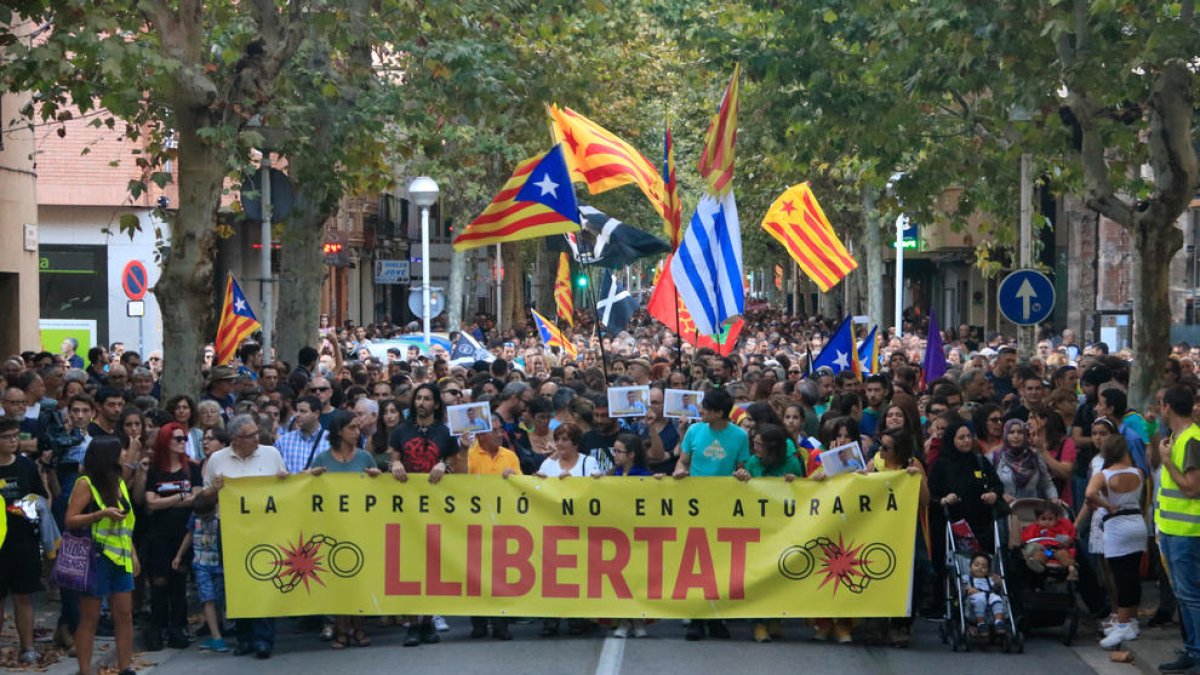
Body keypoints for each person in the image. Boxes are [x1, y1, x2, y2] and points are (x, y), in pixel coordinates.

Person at [197, 414, 286, 659]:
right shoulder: (217, 459)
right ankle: (244, 637)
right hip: (231, 531)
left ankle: (263, 639)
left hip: (266, 529)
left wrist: (283, 481)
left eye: (257, 433)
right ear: (235, 439)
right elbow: (205, 498)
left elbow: (287, 490)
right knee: (236, 585)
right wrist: (215, 489)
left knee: (265, 581)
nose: (256, 439)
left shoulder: (271, 454)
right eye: (250, 436)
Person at [672, 387, 748, 641]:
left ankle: (716, 618)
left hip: (724, 508)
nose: (700, 410)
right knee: (695, 563)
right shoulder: (694, 431)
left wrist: (742, 475)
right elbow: (682, 461)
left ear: (718, 413)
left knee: (721, 565)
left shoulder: (739, 436)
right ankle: (696, 617)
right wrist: (680, 470)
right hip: (694, 507)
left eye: (705, 407)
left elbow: (742, 469)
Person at [386, 383, 454, 646]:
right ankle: (412, 624)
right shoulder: (402, 431)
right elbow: (391, 458)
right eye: (418, 398)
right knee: (411, 566)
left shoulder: (444, 432)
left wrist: (443, 464)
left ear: (436, 404)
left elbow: (452, 461)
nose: (421, 403)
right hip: (407, 507)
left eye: (427, 399)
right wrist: (397, 463)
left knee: (432, 566)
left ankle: (428, 622)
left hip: (435, 506)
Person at [65, 436, 139, 675]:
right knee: (90, 617)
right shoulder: (86, 483)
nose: (125, 453)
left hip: (121, 556)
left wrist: (133, 554)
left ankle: (126, 667)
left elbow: (126, 524)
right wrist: (100, 514)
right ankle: (85, 671)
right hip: (96, 557)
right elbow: (70, 520)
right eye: (121, 450)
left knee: (125, 614)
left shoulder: (118, 481)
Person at [308, 410, 380, 649]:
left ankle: (359, 629)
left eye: (358, 428)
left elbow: (378, 492)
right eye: (352, 428)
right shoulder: (323, 460)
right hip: (332, 530)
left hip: (360, 528)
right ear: (339, 431)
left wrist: (377, 479)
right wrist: (310, 476)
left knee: (359, 580)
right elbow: (306, 490)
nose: (357, 432)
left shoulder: (364, 458)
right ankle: (341, 631)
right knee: (337, 582)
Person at [142, 422, 202, 651]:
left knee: (178, 582)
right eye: (177, 439)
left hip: (183, 534)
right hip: (158, 534)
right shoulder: (155, 470)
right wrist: (178, 496)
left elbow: (195, 499)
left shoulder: (192, 469)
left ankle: (178, 627)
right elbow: (150, 502)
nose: (182, 443)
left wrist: (165, 499)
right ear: (165, 441)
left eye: (184, 439)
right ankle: (157, 627)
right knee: (158, 582)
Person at [1153, 385, 1200, 674]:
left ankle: (1196, 652)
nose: (1159, 409)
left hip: (1187, 533)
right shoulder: (1176, 438)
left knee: (1191, 594)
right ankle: (1192, 649)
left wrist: (1167, 461)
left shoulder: (1191, 440)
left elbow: (1192, 489)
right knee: (1184, 594)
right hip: (1173, 531)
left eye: (1161, 404)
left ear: (1168, 407)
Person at [1087, 434, 1147, 649]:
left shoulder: (1103, 475)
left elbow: (1090, 494)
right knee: (1133, 574)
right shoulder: (1138, 472)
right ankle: (1132, 620)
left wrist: (1107, 505)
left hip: (1116, 527)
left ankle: (1122, 625)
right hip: (1137, 523)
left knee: (1121, 577)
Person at [466, 413, 519, 641]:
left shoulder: (510, 456)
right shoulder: (468, 455)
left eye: (500, 430)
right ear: (480, 434)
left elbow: (521, 485)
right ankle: (478, 623)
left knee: (500, 574)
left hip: (503, 523)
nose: (500, 434)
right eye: (494, 431)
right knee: (475, 574)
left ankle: (501, 623)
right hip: (475, 523)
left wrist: (514, 477)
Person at [0, 417, 47, 666]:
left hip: (23, 542)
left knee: (24, 597)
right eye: (7, 437)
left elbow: (41, 499)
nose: (13, 441)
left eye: (16, 436)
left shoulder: (26, 466)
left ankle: (28, 647)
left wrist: (29, 507)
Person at [172, 498, 227, 652]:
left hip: (220, 564)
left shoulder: (221, 516)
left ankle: (216, 630)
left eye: (206, 516)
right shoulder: (194, 516)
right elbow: (189, 535)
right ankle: (217, 637)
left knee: (218, 599)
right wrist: (179, 556)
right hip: (201, 564)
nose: (203, 519)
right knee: (207, 598)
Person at [992, 419, 1057, 503]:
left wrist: (1054, 498)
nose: (1016, 436)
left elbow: (1047, 484)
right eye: (1011, 432)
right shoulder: (996, 457)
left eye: (1020, 432)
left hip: (1031, 511)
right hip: (1005, 511)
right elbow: (988, 485)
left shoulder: (1035, 456)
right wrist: (999, 496)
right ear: (1005, 435)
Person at [1019, 505, 1077, 579]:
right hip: (1045, 550)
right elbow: (1027, 538)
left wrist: (1067, 541)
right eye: (1043, 519)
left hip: (1057, 550)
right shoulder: (1034, 528)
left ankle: (1072, 570)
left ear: (1056, 519)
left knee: (1064, 555)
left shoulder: (1061, 527)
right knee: (1038, 555)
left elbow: (1069, 536)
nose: (1047, 522)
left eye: (1050, 519)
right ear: (1037, 520)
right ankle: (1037, 565)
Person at [961, 553, 1007, 636]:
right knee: (980, 599)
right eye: (976, 565)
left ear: (988, 571)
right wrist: (969, 588)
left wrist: (997, 584)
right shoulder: (967, 578)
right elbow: (963, 586)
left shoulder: (989, 579)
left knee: (997, 599)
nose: (980, 568)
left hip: (989, 595)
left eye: (984, 566)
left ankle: (998, 621)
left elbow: (996, 589)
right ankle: (981, 623)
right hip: (975, 597)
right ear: (970, 568)